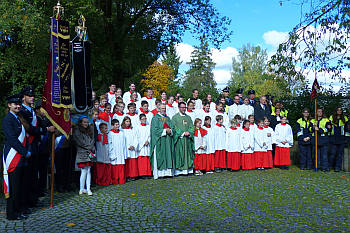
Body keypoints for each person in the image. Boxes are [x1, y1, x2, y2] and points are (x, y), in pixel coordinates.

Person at [3, 94, 31, 220]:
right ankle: (12, 214)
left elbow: (25, 137)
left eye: (19, 104)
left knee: (20, 186)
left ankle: (19, 209)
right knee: (13, 187)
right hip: (13, 157)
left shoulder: (18, 118)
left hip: (21, 156)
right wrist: (25, 152)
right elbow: (12, 139)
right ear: (9, 105)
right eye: (15, 104)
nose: (18, 106)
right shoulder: (8, 119)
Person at [150, 103, 175, 179]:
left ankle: (168, 173)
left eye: (165, 108)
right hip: (159, 141)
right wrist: (164, 131)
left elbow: (172, 128)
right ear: (159, 109)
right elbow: (154, 130)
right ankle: (160, 173)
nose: (164, 110)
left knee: (168, 155)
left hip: (167, 141)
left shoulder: (168, 118)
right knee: (160, 156)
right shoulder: (155, 118)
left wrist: (170, 130)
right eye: (162, 108)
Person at [73, 116, 95, 196]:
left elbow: (93, 139)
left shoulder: (90, 130)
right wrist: (88, 147)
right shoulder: (77, 130)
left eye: (87, 122)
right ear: (81, 122)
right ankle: (82, 188)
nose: (86, 124)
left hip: (89, 152)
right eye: (84, 122)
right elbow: (79, 141)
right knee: (84, 171)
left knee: (88, 170)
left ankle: (88, 188)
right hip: (82, 152)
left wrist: (91, 147)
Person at [172, 102, 195, 176]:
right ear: (179, 108)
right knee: (180, 154)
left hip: (187, 139)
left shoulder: (188, 117)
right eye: (182, 107)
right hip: (180, 139)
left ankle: (188, 170)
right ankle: (180, 171)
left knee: (188, 154)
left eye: (185, 107)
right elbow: (174, 127)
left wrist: (189, 132)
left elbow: (192, 127)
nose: (184, 109)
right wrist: (182, 133)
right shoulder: (175, 117)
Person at [329, 107, 349, 172]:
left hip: (342, 139)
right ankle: (329, 166)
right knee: (332, 153)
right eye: (338, 110)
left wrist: (346, 138)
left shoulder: (345, 118)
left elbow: (347, 129)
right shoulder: (331, 117)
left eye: (340, 110)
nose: (339, 111)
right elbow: (328, 128)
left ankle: (337, 167)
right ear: (336, 111)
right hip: (333, 138)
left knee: (339, 154)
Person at [109, 119, 127, 185]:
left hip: (121, 152)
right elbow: (110, 145)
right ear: (112, 125)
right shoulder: (110, 134)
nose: (118, 126)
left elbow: (124, 144)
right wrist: (111, 154)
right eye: (116, 125)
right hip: (114, 152)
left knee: (121, 166)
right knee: (115, 168)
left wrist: (124, 153)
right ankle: (115, 180)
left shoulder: (121, 133)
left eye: (118, 124)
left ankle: (122, 180)